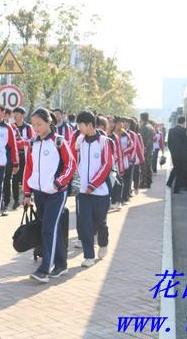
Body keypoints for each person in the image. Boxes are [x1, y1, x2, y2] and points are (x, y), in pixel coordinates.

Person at [23, 108, 76, 283]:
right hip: (39, 194)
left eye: (39, 124)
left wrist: (58, 183)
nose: (36, 128)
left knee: (48, 229)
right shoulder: (33, 143)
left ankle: (44, 270)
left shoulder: (59, 141)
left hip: (56, 193)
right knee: (52, 228)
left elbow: (71, 165)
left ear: (48, 122)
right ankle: (61, 265)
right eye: (33, 125)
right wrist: (27, 193)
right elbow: (29, 169)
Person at [74, 111, 113, 267]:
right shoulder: (79, 141)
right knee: (85, 224)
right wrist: (77, 184)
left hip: (100, 192)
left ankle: (103, 243)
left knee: (100, 223)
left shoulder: (104, 142)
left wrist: (93, 184)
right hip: (83, 192)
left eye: (80, 125)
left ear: (90, 125)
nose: (79, 128)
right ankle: (88, 256)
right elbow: (76, 163)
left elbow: (107, 165)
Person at [11, 107, 34, 210]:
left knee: (26, 177)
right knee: (15, 179)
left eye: (17, 114)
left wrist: (22, 142)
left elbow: (32, 140)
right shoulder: (11, 127)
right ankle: (16, 200)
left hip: (25, 156)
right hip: (15, 157)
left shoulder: (28, 127)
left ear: (23, 115)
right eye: (14, 114)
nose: (15, 116)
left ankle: (27, 197)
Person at [111, 116, 133, 209]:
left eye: (121, 123)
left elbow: (131, 145)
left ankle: (120, 200)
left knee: (120, 180)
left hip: (122, 160)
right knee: (113, 181)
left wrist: (123, 153)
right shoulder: (111, 134)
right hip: (112, 160)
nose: (121, 124)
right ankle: (113, 200)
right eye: (118, 123)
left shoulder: (125, 134)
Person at [167, 116, 187, 193]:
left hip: (174, 154)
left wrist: (172, 152)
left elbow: (169, 143)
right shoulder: (185, 131)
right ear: (184, 122)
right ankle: (176, 189)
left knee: (176, 168)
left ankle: (169, 183)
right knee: (180, 171)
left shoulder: (171, 130)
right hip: (182, 155)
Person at [138, 113, 155, 189]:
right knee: (148, 166)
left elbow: (141, 139)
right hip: (149, 149)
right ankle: (149, 182)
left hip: (144, 150)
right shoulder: (150, 127)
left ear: (141, 118)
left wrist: (143, 149)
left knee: (143, 167)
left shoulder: (143, 127)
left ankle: (143, 183)